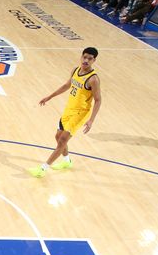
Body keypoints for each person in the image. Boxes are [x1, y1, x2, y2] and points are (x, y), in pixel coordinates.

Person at [28, 47, 102, 178]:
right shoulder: (75, 70)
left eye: (89, 59)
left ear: (94, 60)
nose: (86, 60)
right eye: (84, 57)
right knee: (57, 137)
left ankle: (43, 169)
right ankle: (67, 161)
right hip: (69, 109)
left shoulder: (93, 79)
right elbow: (67, 86)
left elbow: (97, 100)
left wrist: (91, 120)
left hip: (80, 113)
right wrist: (49, 96)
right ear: (81, 57)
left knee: (62, 140)